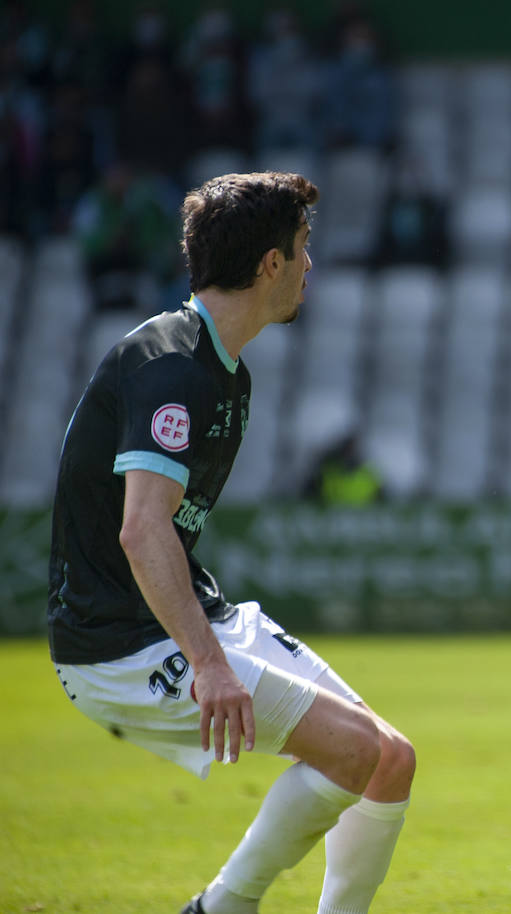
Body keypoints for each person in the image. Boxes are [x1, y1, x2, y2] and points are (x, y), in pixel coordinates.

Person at [47, 172, 415, 914]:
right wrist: (211, 667)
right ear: (271, 264)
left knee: (390, 761)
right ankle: (223, 907)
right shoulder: (174, 366)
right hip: (118, 645)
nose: (311, 265)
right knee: (353, 750)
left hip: (187, 616)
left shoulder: (222, 369)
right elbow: (142, 527)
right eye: (304, 248)